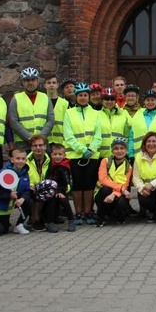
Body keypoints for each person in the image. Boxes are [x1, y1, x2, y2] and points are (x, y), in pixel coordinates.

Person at [64, 83, 102, 224]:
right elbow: (68, 135)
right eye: (80, 95)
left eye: (85, 95)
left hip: (92, 156)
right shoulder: (69, 113)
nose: (83, 98)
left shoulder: (96, 113)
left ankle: (88, 212)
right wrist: (82, 149)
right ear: (76, 97)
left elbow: (98, 135)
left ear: (89, 96)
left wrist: (91, 149)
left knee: (89, 184)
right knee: (77, 185)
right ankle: (78, 213)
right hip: (75, 155)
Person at [27, 136, 76, 233]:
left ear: (45, 147)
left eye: (40, 145)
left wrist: (60, 191)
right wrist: (29, 185)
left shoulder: (52, 161)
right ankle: (35, 218)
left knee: (53, 195)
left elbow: (66, 181)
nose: (38, 148)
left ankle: (52, 221)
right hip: (31, 189)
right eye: (35, 145)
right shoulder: (25, 160)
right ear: (31, 148)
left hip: (52, 190)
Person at [8, 67, 55, 150]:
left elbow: (50, 120)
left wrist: (41, 138)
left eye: (33, 80)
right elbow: (13, 122)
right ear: (23, 82)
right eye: (27, 80)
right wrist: (29, 137)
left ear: (37, 81)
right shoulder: (16, 98)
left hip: (42, 143)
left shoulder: (45, 98)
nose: (30, 82)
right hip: (22, 144)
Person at [0, 148, 32, 234]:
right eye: (18, 158)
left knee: (30, 201)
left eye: (23, 159)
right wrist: (9, 194)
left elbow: (27, 190)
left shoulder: (25, 173)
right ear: (12, 160)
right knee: (3, 230)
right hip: (2, 206)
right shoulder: (3, 173)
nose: (20, 161)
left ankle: (19, 225)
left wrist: (23, 199)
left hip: (15, 202)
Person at [94, 137, 133, 225]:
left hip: (116, 194)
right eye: (116, 148)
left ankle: (117, 215)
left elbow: (125, 185)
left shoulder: (128, 167)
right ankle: (100, 217)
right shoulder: (105, 161)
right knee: (106, 189)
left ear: (126, 150)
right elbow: (103, 180)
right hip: (101, 193)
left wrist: (113, 194)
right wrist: (121, 189)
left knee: (122, 203)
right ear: (112, 151)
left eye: (122, 148)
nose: (119, 151)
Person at [129, 89, 156, 157]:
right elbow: (131, 137)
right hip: (139, 156)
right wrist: (130, 155)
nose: (150, 102)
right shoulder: (137, 115)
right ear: (144, 102)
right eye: (147, 100)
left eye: (152, 100)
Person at [98, 87, 130, 160]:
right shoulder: (96, 115)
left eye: (112, 99)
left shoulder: (123, 114)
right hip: (100, 157)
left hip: (119, 156)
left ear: (115, 101)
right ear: (102, 100)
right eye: (106, 99)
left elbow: (127, 135)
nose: (109, 101)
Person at [45, 73, 70, 146]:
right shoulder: (41, 102)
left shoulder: (65, 103)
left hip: (61, 141)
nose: (51, 85)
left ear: (57, 85)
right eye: (49, 83)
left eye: (54, 83)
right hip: (45, 141)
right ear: (45, 85)